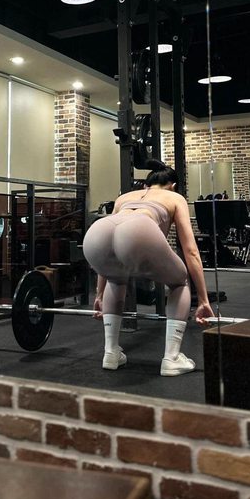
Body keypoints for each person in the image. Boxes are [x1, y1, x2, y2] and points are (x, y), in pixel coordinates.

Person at [83, 160, 214, 376]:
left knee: (116, 278)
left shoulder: (124, 198)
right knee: (179, 281)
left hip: (97, 231)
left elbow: (107, 269)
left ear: (146, 185)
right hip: (137, 230)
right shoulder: (175, 197)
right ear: (173, 186)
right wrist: (203, 299)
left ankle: (111, 353)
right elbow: (190, 251)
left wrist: (99, 295)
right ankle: (171, 358)